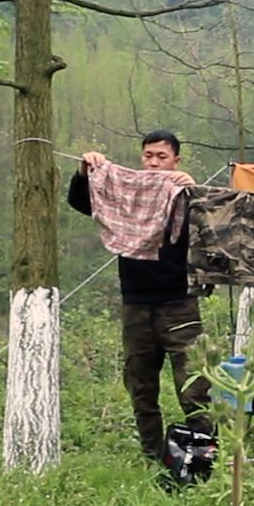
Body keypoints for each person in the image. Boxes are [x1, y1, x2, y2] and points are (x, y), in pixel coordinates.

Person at [67, 130, 213, 460]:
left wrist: (193, 189)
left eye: (162, 157)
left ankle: (204, 456)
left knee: (194, 385)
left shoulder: (186, 194)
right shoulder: (128, 195)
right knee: (141, 386)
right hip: (135, 304)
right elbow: (83, 202)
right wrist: (85, 171)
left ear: (176, 159)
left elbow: (211, 226)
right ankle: (152, 456)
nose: (154, 162)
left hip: (180, 304)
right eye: (148, 156)